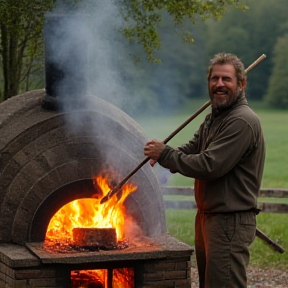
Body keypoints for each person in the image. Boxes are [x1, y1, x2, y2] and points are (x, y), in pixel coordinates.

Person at [144, 52, 265, 288]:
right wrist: (166, 156)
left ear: (241, 83)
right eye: (214, 79)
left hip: (229, 221)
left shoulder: (241, 121)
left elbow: (210, 165)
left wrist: (167, 155)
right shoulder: (216, 117)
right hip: (209, 218)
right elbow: (193, 147)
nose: (219, 84)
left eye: (226, 79)